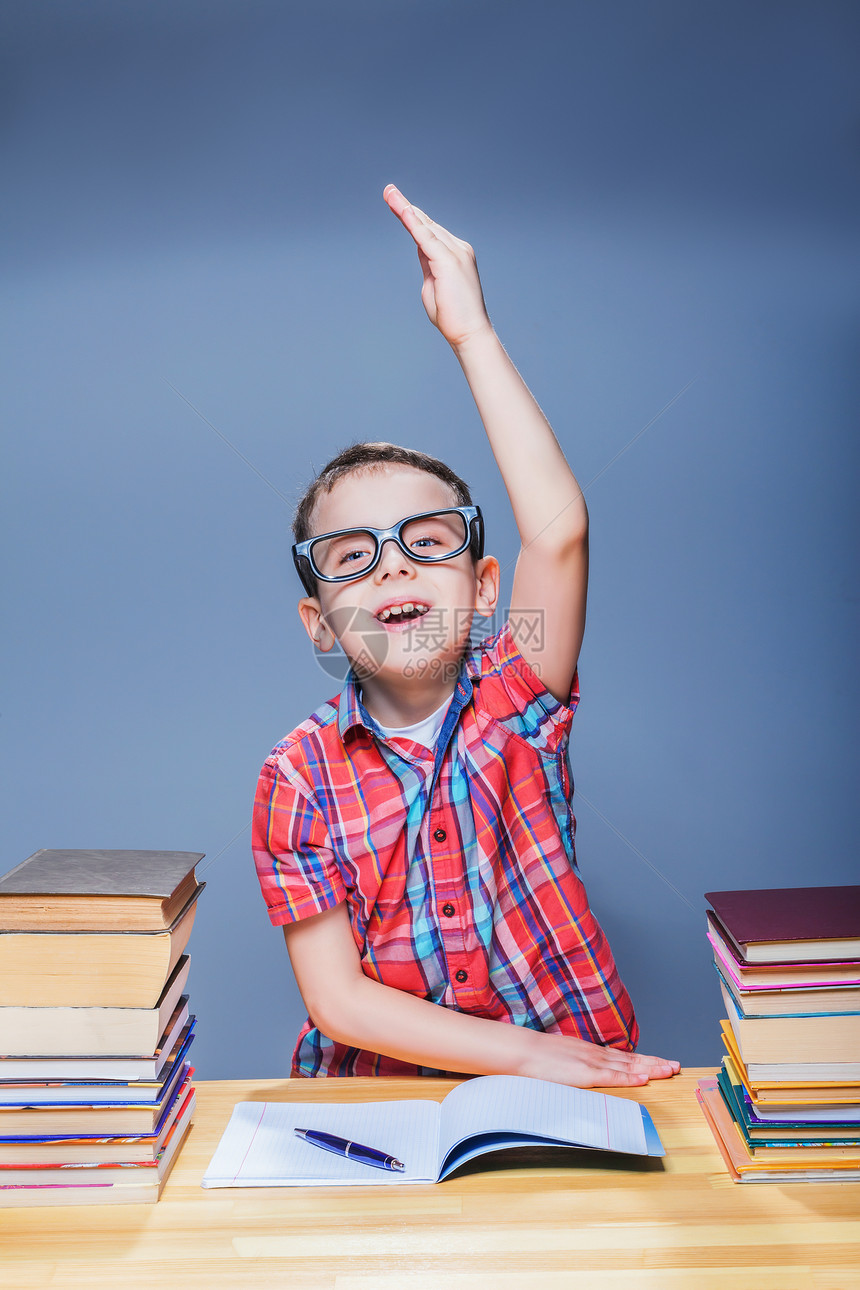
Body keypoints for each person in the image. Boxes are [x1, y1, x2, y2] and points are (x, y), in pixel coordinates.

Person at [252, 183, 680, 1088]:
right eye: (353, 557)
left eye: (429, 544)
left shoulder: (516, 695)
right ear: (317, 621)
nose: (394, 568)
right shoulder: (296, 775)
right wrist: (525, 1058)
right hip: (385, 1104)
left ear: (486, 590)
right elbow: (338, 1002)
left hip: (579, 1084)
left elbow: (557, 529)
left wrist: (472, 336)